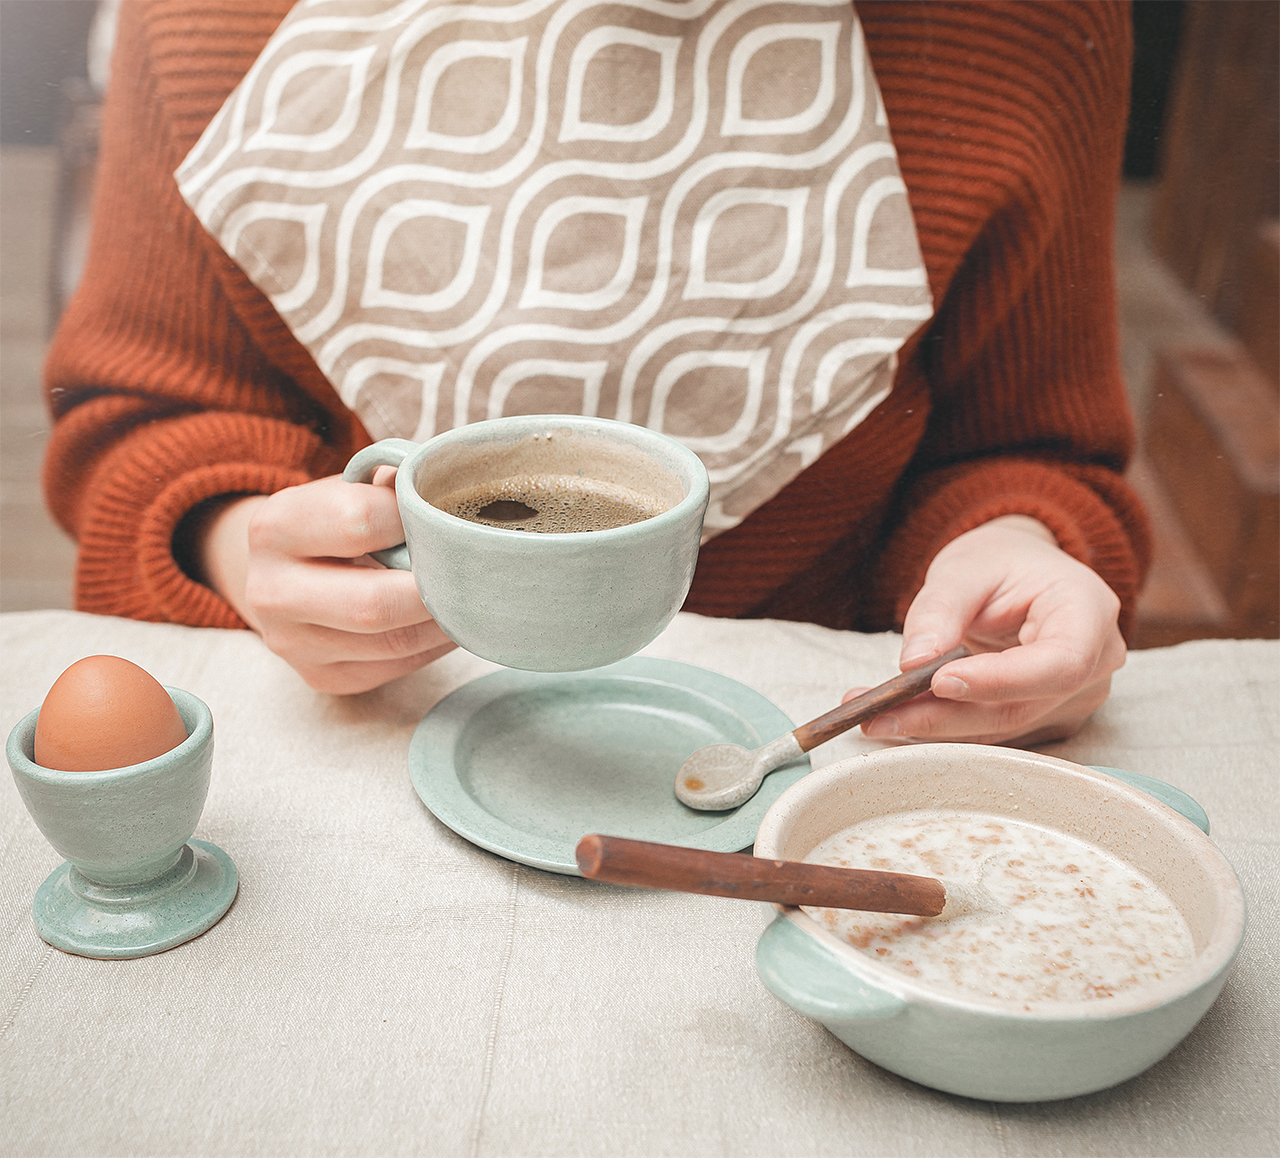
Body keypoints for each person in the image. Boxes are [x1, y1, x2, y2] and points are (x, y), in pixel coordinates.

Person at [42, 0, 1147, 745]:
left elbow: (1024, 450)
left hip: (821, 733)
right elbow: (142, 422)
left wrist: (1011, 546)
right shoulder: (205, 25)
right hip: (372, 722)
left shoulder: (1030, 32)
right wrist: (243, 546)